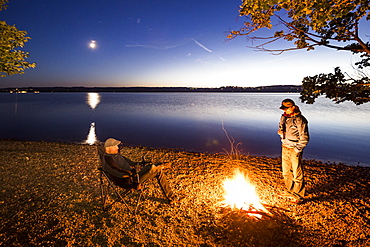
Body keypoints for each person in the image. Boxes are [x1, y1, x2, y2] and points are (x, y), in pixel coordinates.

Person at [102, 137, 176, 203]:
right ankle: (160, 166)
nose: (118, 148)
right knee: (151, 168)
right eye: (115, 146)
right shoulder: (108, 159)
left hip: (134, 175)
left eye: (117, 146)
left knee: (158, 171)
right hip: (129, 180)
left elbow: (132, 163)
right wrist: (130, 173)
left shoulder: (117, 155)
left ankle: (171, 197)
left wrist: (141, 163)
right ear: (108, 148)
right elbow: (115, 170)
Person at [277, 99, 309, 204]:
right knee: (286, 172)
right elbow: (281, 129)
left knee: (297, 173)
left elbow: (304, 137)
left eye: (286, 109)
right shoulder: (284, 117)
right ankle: (290, 191)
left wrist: (297, 150)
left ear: (292, 107)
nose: (284, 111)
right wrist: (281, 134)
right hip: (284, 146)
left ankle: (298, 196)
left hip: (294, 148)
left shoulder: (300, 120)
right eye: (283, 109)